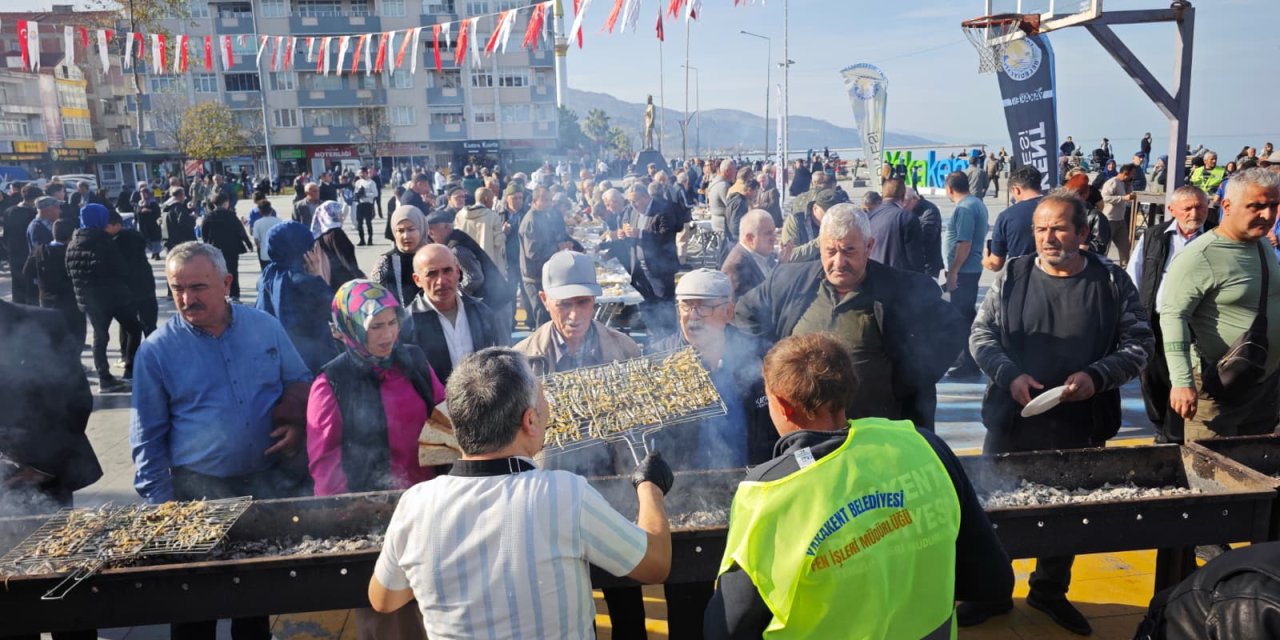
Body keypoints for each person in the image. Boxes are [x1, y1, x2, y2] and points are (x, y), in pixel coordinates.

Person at [704, 332, 1013, 639]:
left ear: (782, 406)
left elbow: (726, 629)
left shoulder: (767, 493)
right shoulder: (923, 444)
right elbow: (993, 581)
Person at [367, 347, 673, 638]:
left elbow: (383, 599)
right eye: (543, 400)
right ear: (529, 421)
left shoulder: (416, 505)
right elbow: (656, 563)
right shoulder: (564, 495)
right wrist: (649, 488)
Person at [966, 192, 1152, 634]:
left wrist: (1098, 375)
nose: (1048, 238)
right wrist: (1008, 375)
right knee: (996, 511)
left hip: (1081, 421)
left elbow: (1140, 343)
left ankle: (1049, 591)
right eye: (1040, 229)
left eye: (1059, 228)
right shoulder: (1013, 274)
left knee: (1068, 515)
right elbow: (980, 335)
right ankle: (993, 591)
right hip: (1012, 418)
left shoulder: (1110, 281)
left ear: (1084, 233)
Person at [130, 241, 309, 639]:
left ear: (226, 282)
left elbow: (299, 380)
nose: (187, 299)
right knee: (195, 612)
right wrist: (163, 510)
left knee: (255, 605)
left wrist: (296, 425)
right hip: (197, 492)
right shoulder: (157, 351)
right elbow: (146, 439)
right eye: (177, 289)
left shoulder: (265, 326)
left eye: (198, 287)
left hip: (261, 485)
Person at [735, 204, 967, 431]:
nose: (839, 262)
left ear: (869, 246)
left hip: (878, 432)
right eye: (831, 251)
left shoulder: (903, 289)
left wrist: (909, 381)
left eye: (849, 251)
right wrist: (776, 365)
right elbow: (746, 313)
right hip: (809, 435)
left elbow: (953, 328)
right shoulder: (788, 281)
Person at [1160, 168, 1280, 441]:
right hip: (1219, 390)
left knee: (1256, 468)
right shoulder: (1200, 256)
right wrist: (1181, 381)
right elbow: (1173, 316)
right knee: (1213, 471)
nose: (1268, 215)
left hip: (1264, 385)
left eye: (1274, 205)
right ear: (1227, 206)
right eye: (1257, 206)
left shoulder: (1262, 245)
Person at [307, 278, 450, 495]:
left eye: (392, 323)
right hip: (371, 508)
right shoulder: (332, 383)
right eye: (375, 326)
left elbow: (444, 415)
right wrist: (343, 514)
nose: (388, 336)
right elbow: (326, 463)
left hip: (428, 495)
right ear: (351, 326)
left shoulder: (414, 359)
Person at [1127, 186, 1208, 443]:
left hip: (1200, 326)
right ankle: (1162, 430)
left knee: (1190, 380)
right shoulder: (1153, 237)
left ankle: (1182, 433)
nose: (1194, 213)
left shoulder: (1217, 236)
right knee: (1154, 380)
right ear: (1172, 210)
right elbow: (1134, 277)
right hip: (1156, 322)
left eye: (1200, 207)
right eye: (1188, 208)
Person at [66, 205, 142, 393]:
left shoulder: (73, 242)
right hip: (112, 296)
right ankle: (130, 369)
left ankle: (104, 378)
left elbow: (69, 271)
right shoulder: (104, 241)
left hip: (88, 299)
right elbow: (121, 269)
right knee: (134, 327)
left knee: (100, 337)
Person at [406, 244, 509, 383]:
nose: (441, 281)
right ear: (417, 280)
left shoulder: (481, 312)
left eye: (447, 271)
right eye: (432, 274)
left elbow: (500, 362)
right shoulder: (407, 324)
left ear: (458, 272)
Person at [257, 222, 341, 374]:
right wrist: (318, 276)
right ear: (306, 251)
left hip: (275, 360)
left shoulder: (267, 275)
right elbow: (336, 312)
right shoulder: (304, 282)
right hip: (313, 362)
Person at [942, 171, 989, 378]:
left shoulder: (965, 208)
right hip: (970, 269)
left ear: (949, 189)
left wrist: (953, 272)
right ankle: (965, 358)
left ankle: (969, 362)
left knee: (961, 318)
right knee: (965, 316)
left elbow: (964, 243)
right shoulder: (976, 203)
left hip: (964, 271)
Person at [22, 219, 84, 348]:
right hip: (71, 300)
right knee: (75, 335)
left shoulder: (39, 250)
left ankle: (57, 366)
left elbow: (27, 272)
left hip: (47, 299)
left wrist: (39, 282)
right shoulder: (73, 251)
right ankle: (75, 366)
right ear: (70, 235)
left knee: (53, 337)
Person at [519, 185, 575, 328]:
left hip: (545, 273)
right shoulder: (531, 220)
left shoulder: (544, 215)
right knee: (542, 317)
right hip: (534, 277)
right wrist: (557, 247)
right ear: (535, 201)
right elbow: (533, 252)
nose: (549, 204)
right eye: (545, 200)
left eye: (550, 200)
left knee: (549, 315)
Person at [984, 166, 1047, 271]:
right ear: (1039, 186)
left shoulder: (1007, 216)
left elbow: (996, 263)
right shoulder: (1061, 208)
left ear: (1016, 190)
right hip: (1060, 278)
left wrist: (985, 260)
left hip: (1022, 279)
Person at [113, 209, 160, 338]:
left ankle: (127, 355)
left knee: (127, 327)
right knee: (150, 324)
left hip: (126, 290)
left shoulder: (114, 245)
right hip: (145, 287)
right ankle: (154, 352)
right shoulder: (137, 243)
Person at [371, 205, 430, 305]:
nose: (406, 236)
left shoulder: (436, 257)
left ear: (422, 228)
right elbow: (376, 301)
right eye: (400, 231)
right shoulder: (385, 263)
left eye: (411, 229)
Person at [864, 179, 926, 273]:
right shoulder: (908, 218)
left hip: (872, 276)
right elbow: (915, 258)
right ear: (903, 196)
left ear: (882, 195)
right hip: (899, 280)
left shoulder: (869, 216)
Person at [200, 191, 253, 300]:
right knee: (233, 271)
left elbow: (203, 233)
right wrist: (248, 244)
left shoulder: (208, 217)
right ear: (225, 203)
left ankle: (219, 293)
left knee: (217, 272)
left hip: (215, 249)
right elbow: (240, 231)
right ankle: (234, 294)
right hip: (231, 248)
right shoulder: (231, 216)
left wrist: (206, 246)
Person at [721, 209, 776, 299]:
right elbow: (742, 310)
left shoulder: (763, 255)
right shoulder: (735, 268)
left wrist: (782, 266)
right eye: (768, 234)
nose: (774, 239)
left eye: (774, 232)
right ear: (750, 239)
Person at [781, 185, 841, 264]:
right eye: (827, 212)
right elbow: (789, 255)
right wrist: (819, 242)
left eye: (835, 213)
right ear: (815, 208)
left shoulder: (840, 223)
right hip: (802, 272)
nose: (831, 217)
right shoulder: (796, 220)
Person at [454, 187, 507, 277]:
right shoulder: (492, 217)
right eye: (491, 199)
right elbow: (498, 242)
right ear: (486, 199)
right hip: (488, 266)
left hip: (467, 265)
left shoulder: (460, 215)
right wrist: (504, 232)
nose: (492, 203)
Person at [313, 200, 365, 289]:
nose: (342, 215)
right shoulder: (336, 233)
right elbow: (344, 257)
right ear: (331, 214)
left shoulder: (319, 236)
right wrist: (360, 276)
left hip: (329, 281)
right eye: (339, 212)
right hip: (344, 282)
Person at [3, 184, 40, 304]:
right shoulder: (32, 214)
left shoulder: (8, 211)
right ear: (35, 199)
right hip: (28, 254)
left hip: (13, 254)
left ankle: (18, 311)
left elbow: (5, 235)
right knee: (30, 287)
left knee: (18, 286)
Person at [1101, 163, 1139, 265]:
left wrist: (1129, 185)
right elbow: (1105, 197)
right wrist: (1122, 198)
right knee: (1105, 247)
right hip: (1110, 219)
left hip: (1120, 220)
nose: (1134, 176)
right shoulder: (1112, 182)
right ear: (1126, 173)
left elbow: (1128, 194)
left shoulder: (1123, 183)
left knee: (1125, 247)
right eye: (1133, 174)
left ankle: (1125, 268)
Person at [904, 187, 944, 279]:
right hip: (913, 264)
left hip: (928, 264)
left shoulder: (929, 211)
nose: (903, 206)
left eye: (905, 203)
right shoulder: (909, 210)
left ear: (914, 199)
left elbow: (927, 238)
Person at [250, 201, 282, 269]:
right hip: (278, 253)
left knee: (265, 273)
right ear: (271, 210)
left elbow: (256, 239)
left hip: (264, 253)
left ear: (260, 212)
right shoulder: (279, 221)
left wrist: (259, 247)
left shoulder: (257, 223)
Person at [136, 186, 163, 260]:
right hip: (144, 225)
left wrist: (149, 211)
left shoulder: (152, 202)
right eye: (141, 193)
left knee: (155, 239)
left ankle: (157, 253)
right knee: (147, 240)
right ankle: (153, 252)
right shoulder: (140, 203)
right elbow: (137, 213)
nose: (143, 195)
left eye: (144, 193)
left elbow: (157, 213)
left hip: (153, 224)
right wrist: (139, 213)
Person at [353, 168, 379, 246]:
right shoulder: (358, 182)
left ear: (365, 173)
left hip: (368, 204)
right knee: (359, 223)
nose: (360, 175)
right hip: (360, 204)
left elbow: (376, 194)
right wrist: (357, 194)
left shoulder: (371, 182)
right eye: (359, 173)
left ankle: (370, 239)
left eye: (361, 173)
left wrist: (365, 194)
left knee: (368, 222)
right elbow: (355, 192)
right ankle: (362, 240)